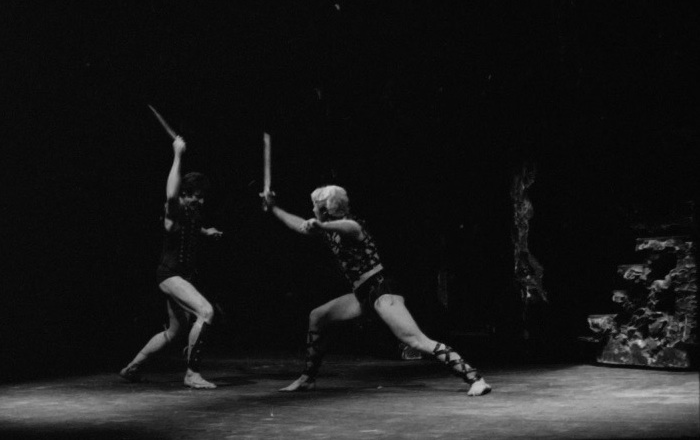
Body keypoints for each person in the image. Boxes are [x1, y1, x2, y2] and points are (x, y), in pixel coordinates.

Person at [262, 185, 491, 396]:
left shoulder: (352, 225)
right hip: (362, 294)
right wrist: (274, 208)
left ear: (325, 210)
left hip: (381, 290)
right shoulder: (327, 230)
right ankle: (307, 379)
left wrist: (321, 225)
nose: (312, 210)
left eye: (315, 206)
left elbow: (349, 228)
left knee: (415, 340)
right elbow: (299, 224)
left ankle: (475, 378)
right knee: (318, 316)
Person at [120, 136, 223, 389]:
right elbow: (170, 194)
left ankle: (132, 367)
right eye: (197, 197)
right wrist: (177, 153)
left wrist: (206, 231)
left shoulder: (191, 213)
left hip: (180, 276)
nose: (201, 201)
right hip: (170, 275)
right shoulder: (174, 210)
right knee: (206, 312)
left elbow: (190, 227)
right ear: (185, 194)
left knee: (175, 332)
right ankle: (192, 374)